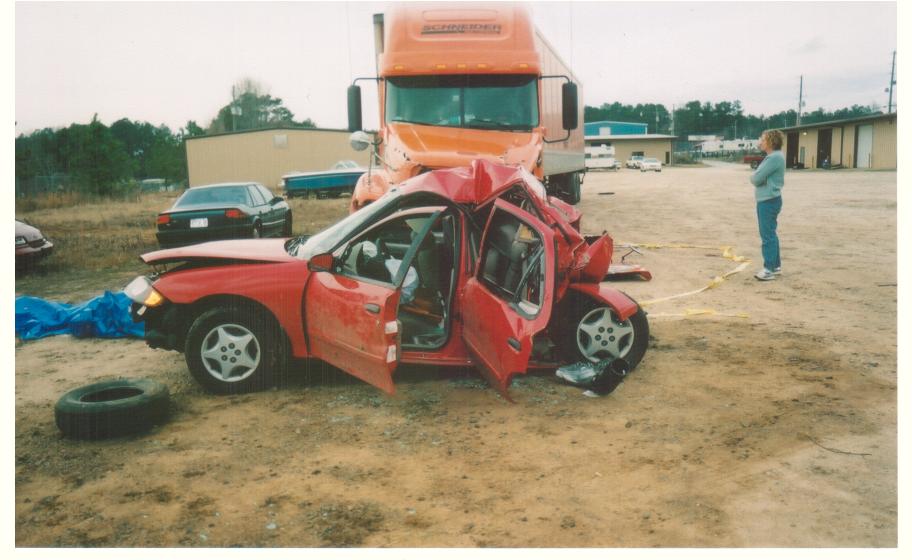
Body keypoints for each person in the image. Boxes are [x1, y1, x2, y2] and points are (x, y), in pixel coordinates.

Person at [750, 129, 786, 281]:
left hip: (768, 200)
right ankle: (775, 266)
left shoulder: (774, 157)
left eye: (763, 139)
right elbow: (759, 177)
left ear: (771, 142)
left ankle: (769, 269)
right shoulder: (775, 156)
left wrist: (757, 177)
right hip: (770, 199)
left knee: (767, 235)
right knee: (771, 233)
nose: (761, 142)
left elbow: (755, 179)